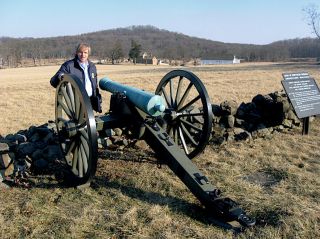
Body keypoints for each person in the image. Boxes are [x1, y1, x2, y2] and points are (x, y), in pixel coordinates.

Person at [50, 43, 102, 113]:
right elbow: (53, 81)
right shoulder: (69, 65)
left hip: (90, 100)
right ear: (77, 53)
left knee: (90, 122)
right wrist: (61, 76)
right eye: (80, 52)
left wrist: (98, 99)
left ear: (88, 54)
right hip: (77, 101)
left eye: (85, 52)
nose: (83, 55)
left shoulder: (92, 66)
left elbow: (95, 85)